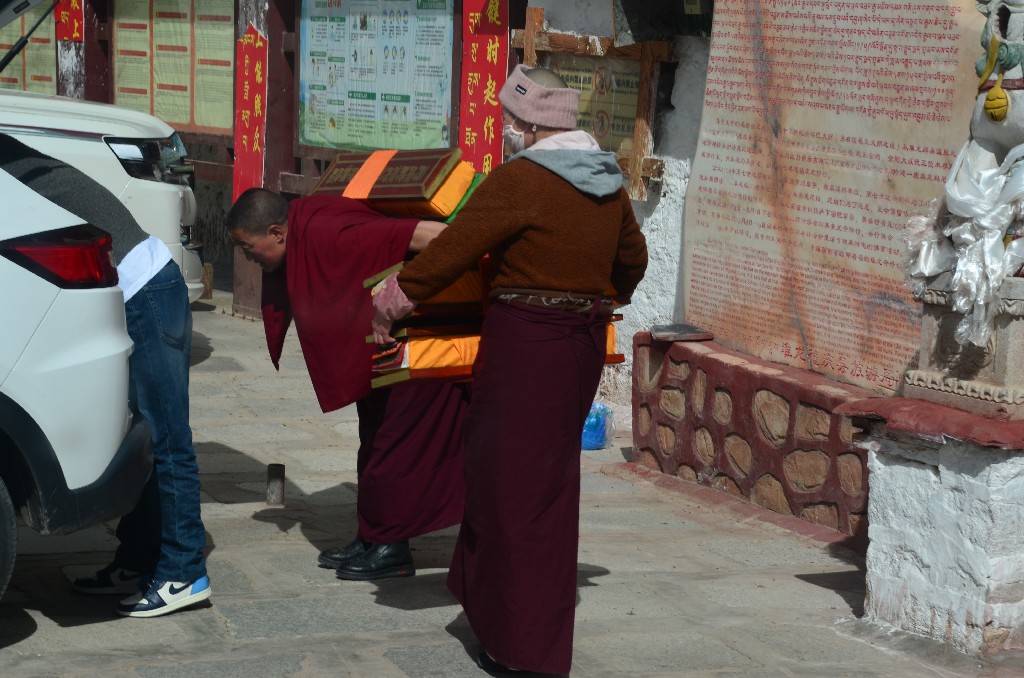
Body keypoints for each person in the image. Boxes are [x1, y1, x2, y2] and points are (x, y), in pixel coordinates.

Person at [372, 65, 648, 675]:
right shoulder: (607, 181)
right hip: (575, 346)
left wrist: (392, 299)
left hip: (526, 344)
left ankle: (525, 645)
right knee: (543, 483)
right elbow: (633, 260)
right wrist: (594, 294)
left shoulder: (520, 180)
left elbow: (453, 249)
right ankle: (496, 611)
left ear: (529, 124)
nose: (504, 130)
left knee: (512, 488)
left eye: (509, 121)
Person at [0, 133, 210, 618]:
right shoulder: (13, 155)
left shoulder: (9, 163)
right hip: (144, 289)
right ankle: (138, 559)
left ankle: (185, 570)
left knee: (169, 438)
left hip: (148, 293)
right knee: (142, 438)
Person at [225, 188, 469, 580]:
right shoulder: (306, 225)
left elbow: (434, 235)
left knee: (395, 447)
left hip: (419, 341)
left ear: (277, 233)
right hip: (381, 347)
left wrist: (405, 295)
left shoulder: (329, 232)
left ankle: (393, 547)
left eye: (247, 247)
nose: (247, 258)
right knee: (372, 438)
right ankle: (373, 536)